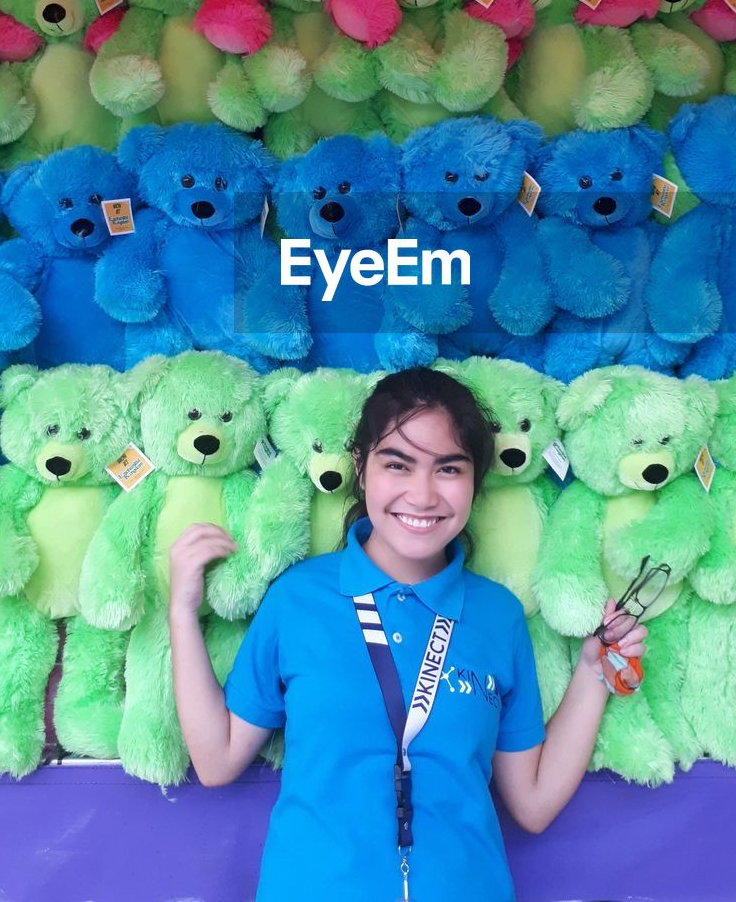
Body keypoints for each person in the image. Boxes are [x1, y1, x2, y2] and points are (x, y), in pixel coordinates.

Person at [169, 367, 647, 902]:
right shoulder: (298, 599)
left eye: (449, 468)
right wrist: (182, 614)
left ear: (475, 480)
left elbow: (532, 805)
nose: (422, 495)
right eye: (397, 464)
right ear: (361, 468)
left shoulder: (498, 615)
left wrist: (590, 673)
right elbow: (217, 760)